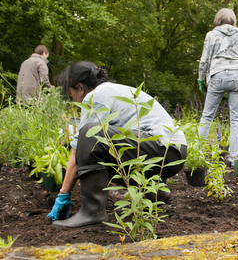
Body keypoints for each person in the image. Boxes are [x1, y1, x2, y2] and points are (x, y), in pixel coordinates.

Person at [47, 61, 187, 228]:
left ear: (80, 87)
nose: (74, 100)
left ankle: (91, 212)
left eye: (72, 94)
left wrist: (63, 194)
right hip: (174, 152)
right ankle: (155, 193)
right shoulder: (115, 90)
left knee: (89, 133)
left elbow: (78, 148)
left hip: (162, 148)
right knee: (105, 150)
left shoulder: (95, 96)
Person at [197, 8, 238, 164]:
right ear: (233, 21)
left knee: (207, 116)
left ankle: (197, 155)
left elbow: (204, 61)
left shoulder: (211, 35)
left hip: (217, 75)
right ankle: (235, 158)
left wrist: (200, 80)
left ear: (217, 20)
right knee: (236, 120)